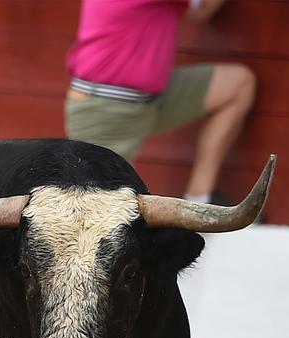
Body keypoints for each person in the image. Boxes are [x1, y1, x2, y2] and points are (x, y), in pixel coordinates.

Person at [65, 0, 256, 205]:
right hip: (106, 109)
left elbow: (199, 11)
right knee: (102, 210)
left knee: (237, 84)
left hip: (146, 100)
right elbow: (204, 7)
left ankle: (200, 199)